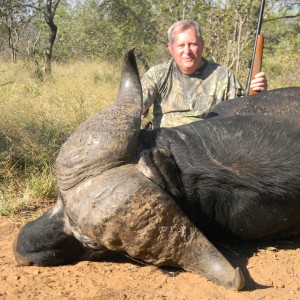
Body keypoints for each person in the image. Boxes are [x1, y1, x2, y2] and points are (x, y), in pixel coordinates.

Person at [142, 20, 268, 128]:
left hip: (208, 146)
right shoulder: (157, 75)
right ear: (171, 49)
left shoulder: (223, 76)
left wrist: (258, 96)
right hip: (162, 147)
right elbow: (132, 111)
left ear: (202, 45)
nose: (187, 51)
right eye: (181, 45)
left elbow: (244, 117)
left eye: (192, 44)